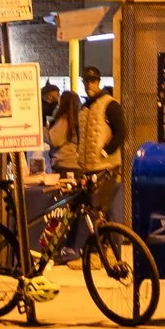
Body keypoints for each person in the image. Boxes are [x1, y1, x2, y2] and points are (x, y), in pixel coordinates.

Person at [71, 65, 127, 220]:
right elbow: (80, 135)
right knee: (91, 212)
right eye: (86, 80)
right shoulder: (84, 108)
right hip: (87, 168)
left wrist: (106, 151)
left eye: (93, 80)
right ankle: (96, 242)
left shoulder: (110, 104)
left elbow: (121, 131)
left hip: (106, 169)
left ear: (99, 81)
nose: (89, 84)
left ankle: (110, 242)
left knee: (104, 210)